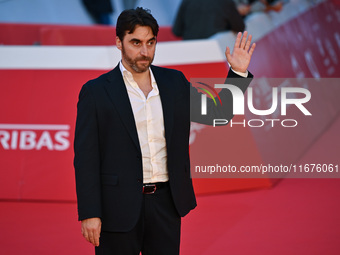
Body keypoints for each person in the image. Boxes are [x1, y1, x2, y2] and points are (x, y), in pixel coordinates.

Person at [74, 7, 255, 255]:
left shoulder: (174, 83)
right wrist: (90, 212)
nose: (145, 52)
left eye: (150, 42)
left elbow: (218, 113)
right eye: (136, 42)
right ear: (119, 42)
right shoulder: (95, 92)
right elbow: (85, 159)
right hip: (116, 207)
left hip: (165, 205)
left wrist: (238, 73)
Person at [172, 0, 245, 40]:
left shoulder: (186, 2)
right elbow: (239, 27)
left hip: (190, 54)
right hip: (216, 53)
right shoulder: (226, 2)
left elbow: (176, 31)